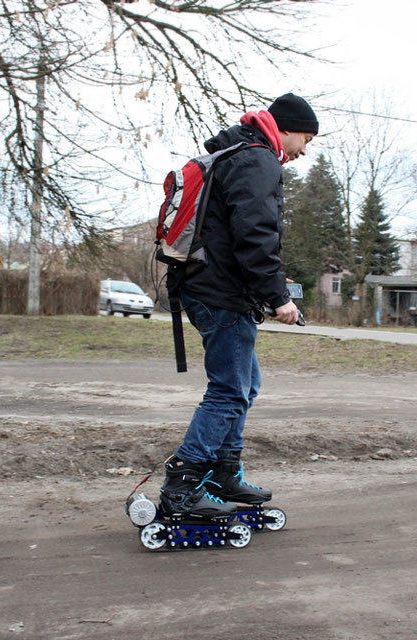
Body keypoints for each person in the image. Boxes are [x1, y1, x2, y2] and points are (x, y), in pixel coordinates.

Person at [159, 93, 318, 518]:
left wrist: (272, 282)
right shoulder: (258, 159)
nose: (304, 151)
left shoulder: (239, 154)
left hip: (210, 286)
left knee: (244, 385)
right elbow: (256, 236)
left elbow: (234, 236)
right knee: (229, 390)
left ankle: (223, 472)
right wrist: (279, 299)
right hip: (221, 294)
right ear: (287, 129)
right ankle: (182, 483)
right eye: (306, 139)